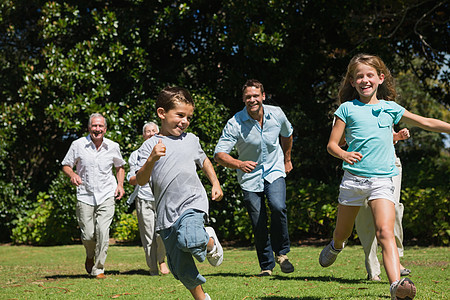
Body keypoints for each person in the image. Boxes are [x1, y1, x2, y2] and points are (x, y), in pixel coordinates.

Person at [319, 53, 450, 300]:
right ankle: (337, 246)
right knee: (342, 232)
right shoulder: (346, 109)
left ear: (380, 78)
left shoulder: (390, 108)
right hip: (354, 181)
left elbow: (425, 122)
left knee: (385, 232)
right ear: (352, 81)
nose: (364, 80)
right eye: (359, 76)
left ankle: (395, 285)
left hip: (382, 180)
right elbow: (332, 145)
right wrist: (343, 155)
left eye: (370, 75)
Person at [136, 87, 224, 300]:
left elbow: (203, 160)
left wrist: (215, 183)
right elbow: (140, 180)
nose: (184, 121)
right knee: (180, 268)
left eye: (188, 117)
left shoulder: (191, 140)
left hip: (192, 203)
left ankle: (208, 240)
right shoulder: (149, 146)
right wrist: (151, 159)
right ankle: (202, 298)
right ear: (161, 113)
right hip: (167, 215)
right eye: (180, 115)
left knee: (191, 239)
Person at [214, 79, 294, 277]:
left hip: (274, 169)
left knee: (278, 206)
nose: (252, 100)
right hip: (250, 177)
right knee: (258, 220)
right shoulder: (235, 123)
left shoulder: (277, 114)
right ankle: (266, 266)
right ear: (243, 99)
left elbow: (288, 134)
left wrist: (287, 159)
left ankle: (282, 254)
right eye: (248, 97)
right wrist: (239, 164)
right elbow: (219, 154)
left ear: (263, 96)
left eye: (256, 96)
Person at [62, 113, 126, 279]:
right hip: (85, 195)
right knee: (88, 234)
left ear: (105, 129)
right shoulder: (78, 144)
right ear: (89, 127)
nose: (97, 129)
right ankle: (90, 255)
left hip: (106, 193)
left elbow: (120, 167)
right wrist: (72, 175)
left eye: (100, 126)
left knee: (103, 231)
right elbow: (66, 165)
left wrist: (120, 185)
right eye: (94, 126)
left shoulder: (113, 146)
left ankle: (98, 269)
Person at [355, 129, 411, 281]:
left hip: (389, 165)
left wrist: (398, 136)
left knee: (393, 209)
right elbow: (338, 142)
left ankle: (396, 260)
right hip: (361, 167)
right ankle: (373, 269)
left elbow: (387, 135)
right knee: (366, 216)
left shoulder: (385, 108)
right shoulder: (346, 111)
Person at [126, 122, 170, 275]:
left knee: (161, 233)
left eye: (154, 131)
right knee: (148, 235)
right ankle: (153, 267)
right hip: (143, 197)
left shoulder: (166, 150)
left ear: (159, 133)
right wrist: (138, 177)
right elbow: (131, 177)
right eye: (147, 131)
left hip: (162, 197)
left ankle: (162, 260)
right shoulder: (136, 154)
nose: (151, 133)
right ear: (143, 135)